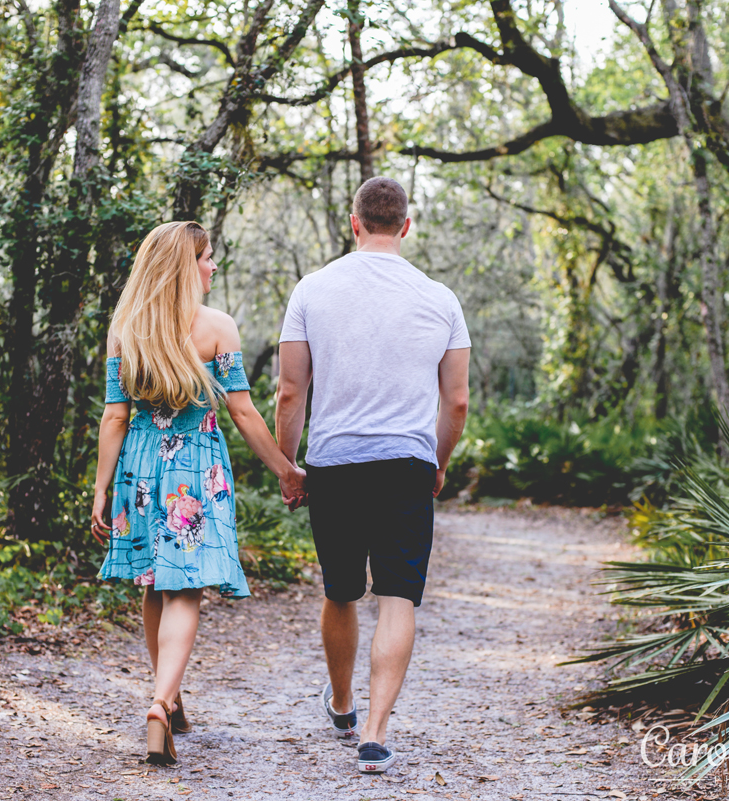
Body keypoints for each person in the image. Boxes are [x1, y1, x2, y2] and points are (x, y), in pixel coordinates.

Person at [90, 221, 306, 766]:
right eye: (208, 258)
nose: (214, 266)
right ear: (186, 264)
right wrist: (286, 468)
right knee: (183, 588)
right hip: (194, 466)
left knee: (151, 582)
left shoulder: (125, 330)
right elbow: (242, 412)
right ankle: (162, 702)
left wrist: (100, 491)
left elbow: (115, 417)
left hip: (138, 467)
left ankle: (172, 695)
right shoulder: (217, 329)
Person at [275, 177, 471, 774]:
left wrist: (289, 466)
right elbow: (457, 402)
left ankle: (341, 705)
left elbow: (289, 392)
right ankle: (377, 734)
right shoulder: (441, 300)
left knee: (340, 590)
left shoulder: (312, 289)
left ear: (354, 222)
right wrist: (436, 464)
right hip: (406, 465)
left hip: (334, 463)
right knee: (398, 596)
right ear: (405, 227)